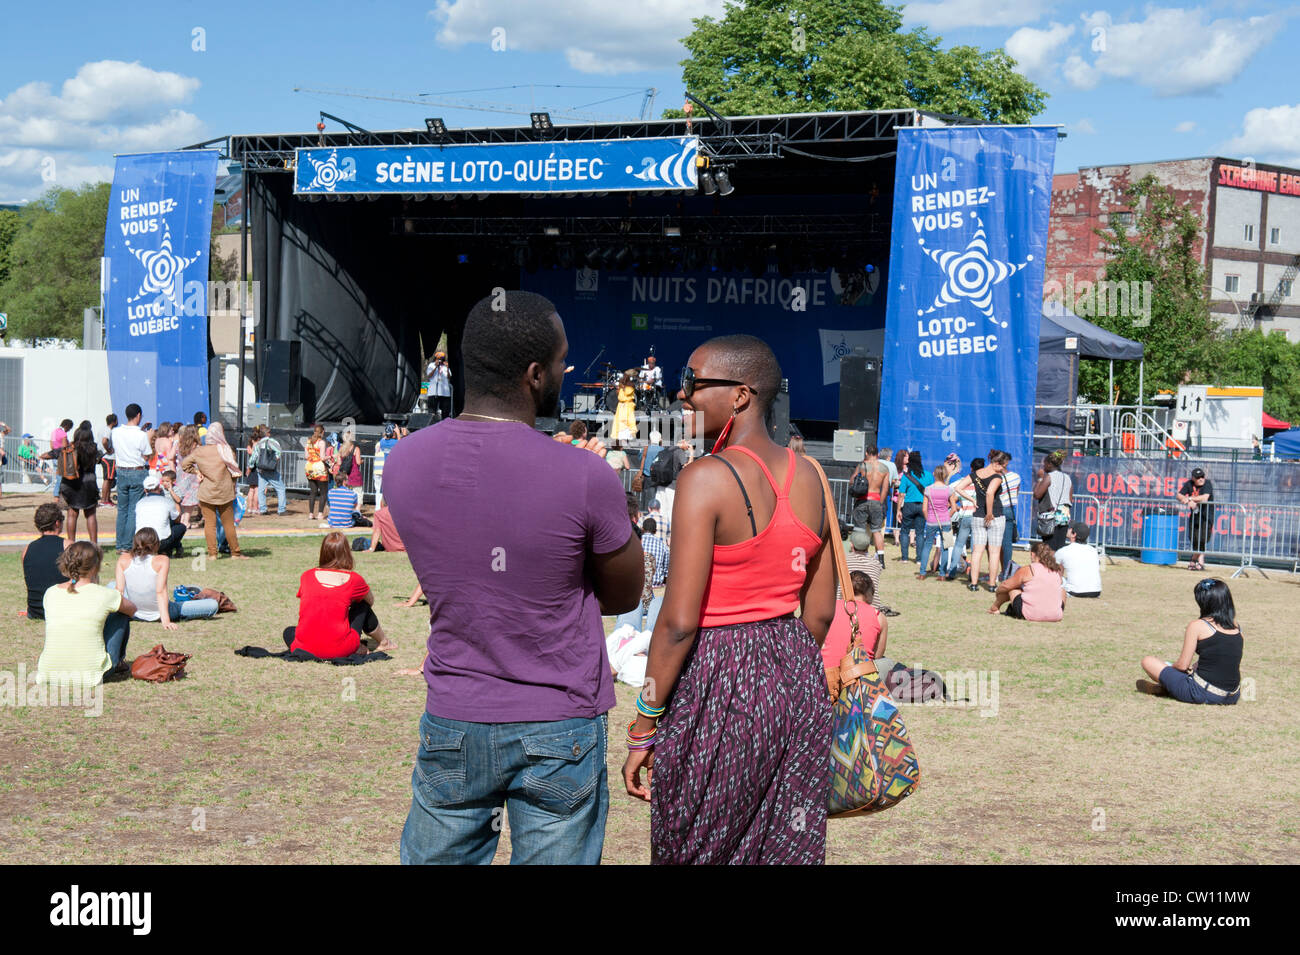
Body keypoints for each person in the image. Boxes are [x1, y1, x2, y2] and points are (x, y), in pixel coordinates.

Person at [387, 289, 642, 865]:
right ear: (534, 374)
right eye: (561, 360)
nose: (567, 369)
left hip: (454, 712)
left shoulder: (403, 462)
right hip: (558, 723)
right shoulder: (584, 474)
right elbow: (624, 593)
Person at [623, 333, 835, 865]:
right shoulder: (813, 475)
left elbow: (676, 623)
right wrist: (779, 663)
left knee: (695, 841)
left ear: (741, 395)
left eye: (693, 383)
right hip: (797, 675)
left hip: (717, 676)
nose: (682, 395)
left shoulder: (706, 478)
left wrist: (646, 719)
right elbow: (822, 610)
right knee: (781, 845)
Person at [36, 542, 137, 687]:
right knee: (120, 613)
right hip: (91, 674)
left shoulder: (50, 592)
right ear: (96, 566)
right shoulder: (105, 594)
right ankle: (119, 661)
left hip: (49, 672)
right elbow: (132, 609)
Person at [284, 532, 393, 656]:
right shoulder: (354, 579)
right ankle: (384, 642)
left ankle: (322, 646)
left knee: (289, 631)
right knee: (362, 605)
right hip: (339, 648)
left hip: (304, 648)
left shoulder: (306, 576)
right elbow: (370, 602)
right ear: (346, 553)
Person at [1136, 578, 1242, 704]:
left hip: (1201, 692)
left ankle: (1167, 688)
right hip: (1232, 695)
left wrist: (1171, 667)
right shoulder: (1236, 626)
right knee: (1188, 671)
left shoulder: (1198, 625)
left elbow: (1182, 665)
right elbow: (1220, 658)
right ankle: (1169, 688)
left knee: (1148, 661)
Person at [113, 528, 218, 628]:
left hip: (133, 612)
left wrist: (118, 613)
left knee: (112, 585)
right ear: (156, 545)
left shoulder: (123, 559)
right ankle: (186, 597)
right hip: (159, 612)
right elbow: (160, 592)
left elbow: (119, 591)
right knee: (212, 605)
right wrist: (166, 621)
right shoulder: (162, 560)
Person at [180, 421, 248, 560]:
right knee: (228, 524)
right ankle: (235, 553)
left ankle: (212, 554)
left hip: (206, 492)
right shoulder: (226, 450)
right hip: (225, 492)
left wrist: (196, 471)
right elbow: (234, 471)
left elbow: (184, 464)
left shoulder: (200, 451)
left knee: (209, 525)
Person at [43, 421, 100, 544]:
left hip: (71, 484)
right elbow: (100, 458)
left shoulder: (70, 448)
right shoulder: (94, 448)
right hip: (89, 484)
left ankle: (71, 543)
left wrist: (44, 456)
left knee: (72, 515)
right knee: (90, 515)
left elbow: (48, 455)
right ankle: (94, 545)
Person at [821, 570, 887, 670]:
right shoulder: (879, 617)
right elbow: (877, 656)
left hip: (825, 674)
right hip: (859, 679)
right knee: (886, 663)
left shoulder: (829, 608)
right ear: (869, 592)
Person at [111, 404, 154, 552]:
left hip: (121, 471)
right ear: (139, 415)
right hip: (137, 471)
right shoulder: (141, 435)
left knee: (122, 509)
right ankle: (127, 544)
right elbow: (147, 455)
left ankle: (120, 543)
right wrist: (147, 436)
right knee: (133, 510)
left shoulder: (116, 432)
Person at [990, 541, 1065, 621]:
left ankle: (995, 607)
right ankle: (1054, 612)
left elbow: (1006, 585)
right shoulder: (1056, 571)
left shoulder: (1029, 569)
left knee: (1013, 589)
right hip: (1055, 616)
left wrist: (997, 591)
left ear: (1032, 554)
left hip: (1029, 614)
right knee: (1062, 591)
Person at [23, 503, 69, 620]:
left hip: (35, 610)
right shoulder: (68, 546)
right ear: (57, 523)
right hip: (61, 609)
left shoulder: (27, 549)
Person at [851, 446, 891, 563]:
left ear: (867, 453)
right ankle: (881, 559)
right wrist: (880, 502)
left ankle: (860, 556)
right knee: (877, 531)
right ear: (877, 454)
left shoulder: (862, 465)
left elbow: (852, 480)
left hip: (862, 500)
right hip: (876, 500)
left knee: (860, 529)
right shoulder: (884, 468)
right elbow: (885, 488)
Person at [845, 528, 898, 616]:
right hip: (873, 607)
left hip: (846, 605)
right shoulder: (876, 564)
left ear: (851, 545)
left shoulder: (843, 561)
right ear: (868, 546)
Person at [944, 457, 981, 580]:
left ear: (971, 468)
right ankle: (973, 575)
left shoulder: (964, 482)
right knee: (976, 548)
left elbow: (953, 498)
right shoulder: (983, 483)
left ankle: (952, 571)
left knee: (959, 545)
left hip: (965, 516)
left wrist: (957, 506)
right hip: (978, 517)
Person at [134, 471, 186, 557]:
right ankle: (166, 550)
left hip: (141, 541)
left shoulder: (139, 503)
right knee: (181, 527)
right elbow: (177, 519)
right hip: (159, 542)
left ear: (145, 490)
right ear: (159, 487)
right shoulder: (166, 501)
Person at [917, 462, 952, 580]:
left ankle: (922, 573)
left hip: (932, 521)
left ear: (935, 474)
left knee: (927, 546)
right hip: (945, 522)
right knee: (945, 547)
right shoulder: (948, 489)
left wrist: (928, 519)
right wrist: (948, 515)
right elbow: (954, 506)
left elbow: (924, 508)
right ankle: (942, 574)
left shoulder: (928, 489)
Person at [1032, 449, 1073, 551]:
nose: (1043, 467)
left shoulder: (1049, 477)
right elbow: (1070, 498)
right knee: (1059, 547)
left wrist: (1040, 478)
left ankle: (1049, 566)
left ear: (1050, 464)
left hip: (1051, 517)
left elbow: (1037, 494)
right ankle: (1056, 566)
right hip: (1064, 515)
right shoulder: (1067, 478)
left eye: (1044, 464)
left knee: (1049, 547)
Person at [896, 450, 931, 563]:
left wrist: (898, 510)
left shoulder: (906, 477)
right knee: (920, 533)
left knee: (905, 531)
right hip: (923, 505)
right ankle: (919, 559)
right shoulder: (928, 475)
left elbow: (901, 494)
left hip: (909, 505)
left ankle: (905, 558)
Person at [1178, 467, 1215, 570]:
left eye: (1202, 476)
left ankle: (1193, 559)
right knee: (1194, 539)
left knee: (1202, 539)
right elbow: (1179, 495)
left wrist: (1190, 498)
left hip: (1206, 516)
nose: (1201, 479)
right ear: (1193, 478)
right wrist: (1185, 500)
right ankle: (1200, 562)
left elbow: (1205, 498)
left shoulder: (1207, 483)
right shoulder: (1189, 484)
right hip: (1195, 516)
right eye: (1198, 477)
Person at [1054, 520, 1101, 597]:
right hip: (1096, 591)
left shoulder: (1063, 551)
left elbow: (1052, 571)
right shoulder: (1093, 550)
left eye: (1070, 529)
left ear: (1074, 534)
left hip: (1074, 591)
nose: (1067, 529)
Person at [248, 424, 286, 516]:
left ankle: (263, 509)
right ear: (267, 433)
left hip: (261, 469)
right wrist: (274, 460)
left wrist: (250, 467)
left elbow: (254, 457)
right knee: (280, 489)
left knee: (261, 490)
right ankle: (281, 510)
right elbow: (279, 452)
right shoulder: (272, 442)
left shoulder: (258, 444)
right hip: (271, 469)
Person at [172, 426, 202, 528]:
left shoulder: (180, 445)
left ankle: (183, 519)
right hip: (193, 473)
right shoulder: (196, 447)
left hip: (181, 473)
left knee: (183, 498)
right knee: (191, 499)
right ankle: (186, 520)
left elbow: (170, 457)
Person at [998, 462, 1023, 581]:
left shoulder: (996, 478)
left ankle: (1001, 572)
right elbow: (1016, 493)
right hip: (1009, 509)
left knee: (995, 544)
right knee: (1007, 544)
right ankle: (1007, 573)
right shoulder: (1016, 477)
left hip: (997, 509)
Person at [304, 424, 331, 521]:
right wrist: (331, 456)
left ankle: (311, 514)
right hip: (319, 468)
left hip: (309, 467)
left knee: (313, 492)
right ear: (322, 432)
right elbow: (323, 457)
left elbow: (306, 456)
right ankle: (320, 514)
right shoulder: (321, 442)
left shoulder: (308, 442)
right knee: (323, 492)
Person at [373, 422, 401, 509]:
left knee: (381, 491)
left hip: (385, 469)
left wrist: (389, 431)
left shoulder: (382, 442)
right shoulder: (395, 442)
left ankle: (379, 509)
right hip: (392, 470)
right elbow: (402, 444)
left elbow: (385, 438)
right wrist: (398, 433)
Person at [640, 516, 669, 585]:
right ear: (655, 531)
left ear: (642, 529)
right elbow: (666, 572)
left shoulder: (637, 542)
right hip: (656, 589)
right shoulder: (663, 546)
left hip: (638, 588)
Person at [49, 418, 72, 498]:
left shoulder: (54, 432)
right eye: (69, 428)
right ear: (67, 426)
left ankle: (56, 494)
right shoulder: (63, 434)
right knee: (61, 478)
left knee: (58, 477)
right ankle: (58, 494)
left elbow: (51, 446)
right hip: (61, 457)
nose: (69, 430)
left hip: (54, 456)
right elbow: (65, 446)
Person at [613, 368, 638, 442]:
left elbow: (627, 392)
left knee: (627, 422)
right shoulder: (622, 383)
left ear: (629, 376)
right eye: (624, 375)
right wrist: (619, 387)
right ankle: (621, 439)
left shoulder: (631, 384)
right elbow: (619, 394)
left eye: (625, 375)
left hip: (628, 405)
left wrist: (622, 385)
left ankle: (626, 439)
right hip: (620, 405)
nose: (624, 377)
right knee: (620, 422)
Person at [427, 350, 453, 420]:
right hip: (433, 392)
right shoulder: (431, 365)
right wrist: (435, 367)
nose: (440, 360)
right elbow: (429, 376)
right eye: (439, 359)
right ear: (435, 359)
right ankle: (431, 425)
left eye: (442, 359)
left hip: (445, 393)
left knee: (445, 412)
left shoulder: (445, 366)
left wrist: (447, 368)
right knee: (432, 412)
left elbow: (449, 377)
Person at [99, 414, 118, 506]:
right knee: (107, 479)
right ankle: (104, 500)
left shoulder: (103, 429)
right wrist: (108, 450)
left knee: (109, 479)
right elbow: (104, 441)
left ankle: (107, 499)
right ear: (114, 421)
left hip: (106, 458)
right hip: (108, 458)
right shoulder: (108, 430)